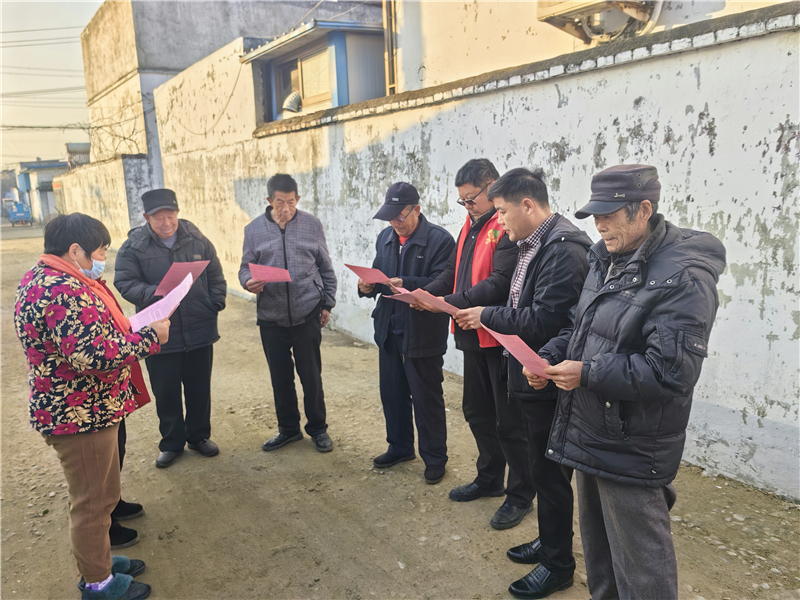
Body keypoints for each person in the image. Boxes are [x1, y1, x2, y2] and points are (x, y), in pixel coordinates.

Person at [524, 164, 726, 599]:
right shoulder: (605, 258)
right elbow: (579, 327)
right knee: (602, 561)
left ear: (644, 210)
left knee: (642, 570)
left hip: (631, 442)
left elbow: (671, 372)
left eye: (609, 215)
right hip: (589, 426)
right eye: (595, 216)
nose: (599, 226)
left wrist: (587, 373)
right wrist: (549, 357)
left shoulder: (683, 277)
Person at [14, 213, 169, 600]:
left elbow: (88, 335)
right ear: (75, 250)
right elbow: (91, 354)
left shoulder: (49, 278)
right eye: (100, 250)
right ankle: (98, 583)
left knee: (100, 496)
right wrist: (150, 337)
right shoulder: (61, 290)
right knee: (92, 503)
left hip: (86, 408)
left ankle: (100, 562)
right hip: (79, 414)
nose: (103, 258)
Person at [454, 168, 591, 598]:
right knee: (540, 468)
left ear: (528, 205)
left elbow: (546, 320)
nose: (499, 222)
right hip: (530, 372)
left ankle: (558, 564)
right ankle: (550, 542)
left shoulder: (564, 249)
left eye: (502, 212)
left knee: (550, 475)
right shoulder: (533, 243)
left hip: (547, 378)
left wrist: (486, 316)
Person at [419, 159, 526, 527]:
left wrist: (449, 302)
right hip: (470, 332)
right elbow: (453, 271)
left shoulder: (505, 226)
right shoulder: (470, 224)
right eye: (462, 200)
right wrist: (428, 294)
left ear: (491, 187)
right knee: (477, 411)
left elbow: (499, 282)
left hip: (499, 336)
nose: (467, 206)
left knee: (509, 422)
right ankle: (490, 477)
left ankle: (520, 494)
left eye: (471, 199)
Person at [115, 189, 227, 468]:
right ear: (146, 218)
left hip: (199, 327)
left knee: (199, 388)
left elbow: (215, 274)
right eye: (159, 218)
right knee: (166, 392)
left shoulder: (197, 239)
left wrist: (215, 303)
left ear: (177, 213)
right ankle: (172, 443)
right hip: (159, 332)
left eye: (171, 216)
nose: (166, 223)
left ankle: (199, 436)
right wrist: (158, 293)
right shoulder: (133, 247)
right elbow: (125, 282)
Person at [358, 182, 456, 484]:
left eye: (401, 216)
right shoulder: (385, 238)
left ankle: (435, 458)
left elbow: (446, 281)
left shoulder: (440, 240)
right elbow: (378, 274)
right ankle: (399, 447)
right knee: (392, 394)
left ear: (417, 209)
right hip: (390, 329)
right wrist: (366, 286)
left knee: (427, 399)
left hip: (422, 332)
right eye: (391, 218)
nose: (395, 223)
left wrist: (408, 283)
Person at [239, 173, 337, 453]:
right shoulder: (253, 230)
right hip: (271, 315)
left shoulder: (311, 225)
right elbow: (245, 267)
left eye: (291, 202)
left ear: (298, 199)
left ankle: (318, 429)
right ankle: (289, 429)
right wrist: (248, 282)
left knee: (311, 376)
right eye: (280, 202)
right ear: (269, 200)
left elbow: (326, 268)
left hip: (307, 311)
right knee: (280, 377)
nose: (286, 208)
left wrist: (327, 303)